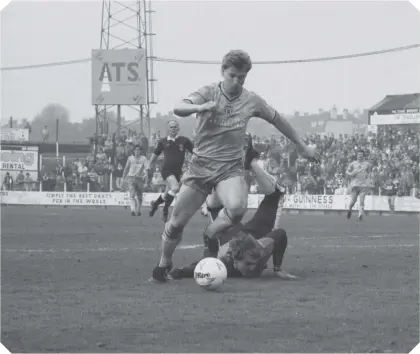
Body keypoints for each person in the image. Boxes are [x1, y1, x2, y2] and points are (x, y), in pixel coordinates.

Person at [152, 49, 319, 282]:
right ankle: (163, 264)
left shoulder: (251, 100)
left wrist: (302, 146)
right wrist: (198, 108)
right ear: (223, 72)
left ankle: (210, 233)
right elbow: (179, 107)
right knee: (176, 224)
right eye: (232, 76)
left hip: (229, 168)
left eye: (242, 77)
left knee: (238, 207)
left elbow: (278, 120)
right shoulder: (208, 92)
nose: (237, 81)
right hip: (200, 168)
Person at [169, 156, 296, 280]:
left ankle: (239, 166)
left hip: (242, 238)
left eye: (251, 263)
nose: (251, 267)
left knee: (216, 213)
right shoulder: (237, 261)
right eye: (249, 264)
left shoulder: (233, 262)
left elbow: (202, 265)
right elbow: (280, 234)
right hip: (252, 235)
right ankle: (249, 163)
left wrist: (180, 272)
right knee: (274, 195)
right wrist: (277, 269)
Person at [147, 121, 194, 222]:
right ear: (168, 129)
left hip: (177, 172)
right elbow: (155, 153)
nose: (173, 129)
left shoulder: (184, 140)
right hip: (166, 170)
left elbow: (195, 152)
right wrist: (149, 164)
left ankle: (155, 204)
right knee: (175, 188)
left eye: (175, 127)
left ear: (178, 128)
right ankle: (165, 210)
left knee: (167, 194)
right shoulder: (163, 141)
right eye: (171, 127)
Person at [122, 144, 149, 216]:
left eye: (139, 150)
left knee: (139, 196)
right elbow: (126, 168)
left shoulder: (143, 158)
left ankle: (138, 210)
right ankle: (132, 210)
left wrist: (146, 177)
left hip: (140, 179)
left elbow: (147, 168)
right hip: (131, 178)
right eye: (136, 149)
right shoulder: (130, 158)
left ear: (140, 151)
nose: (137, 151)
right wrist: (123, 177)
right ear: (134, 150)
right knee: (132, 194)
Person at [346, 149, 372, 220]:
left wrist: (369, 181)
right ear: (357, 156)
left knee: (362, 200)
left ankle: (360, 215)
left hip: (363, 185)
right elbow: (347, 172)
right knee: (353, 201)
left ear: (363, 155)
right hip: (355, 185)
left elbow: (369, 173)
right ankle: (349, 209)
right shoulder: (352, 163)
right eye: (358, 154)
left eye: (361, 154)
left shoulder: (367, 164)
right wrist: (351, 174)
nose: (360, 155)